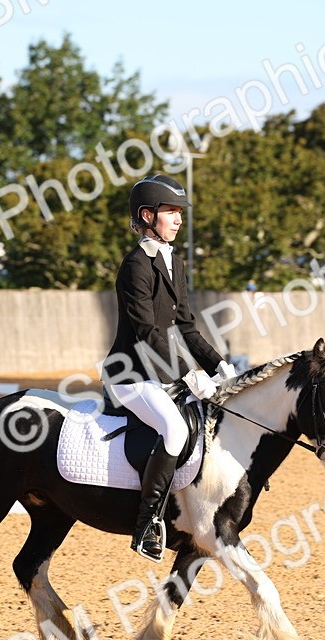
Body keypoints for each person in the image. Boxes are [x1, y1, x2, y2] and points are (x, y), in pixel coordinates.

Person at [102, 174, 236, 562]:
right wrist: (186, 374)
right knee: (175, 429)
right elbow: (145, 331)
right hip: (129, 373)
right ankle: (147, 524)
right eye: (171, 212)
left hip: (160, 374)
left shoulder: (174, 263)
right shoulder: (135, 267)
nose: (179, 220)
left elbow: (187, 327)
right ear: (147, 216)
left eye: (180, 213)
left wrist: (219, 366)